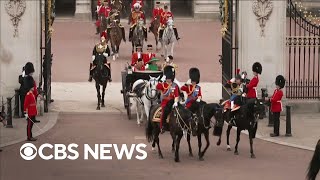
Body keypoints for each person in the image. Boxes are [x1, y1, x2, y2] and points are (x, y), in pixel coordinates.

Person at [156, 65, 180, 134]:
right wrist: (161, 80)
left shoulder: (174, 85)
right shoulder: (163, 84)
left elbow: (176, 95)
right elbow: (157, 86)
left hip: (173, 101)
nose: (168, 79)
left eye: (169, 78)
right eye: (167, 78)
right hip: (165, 102)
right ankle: (162, 126)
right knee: (164, 112)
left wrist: (176, 102)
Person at [24, 75, 38, 141]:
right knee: (29, 125)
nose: (34, 88)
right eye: (32, 87)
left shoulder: (32, 94)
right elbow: (26, 105)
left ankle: (31, 136)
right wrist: (26, 113)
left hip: (32, 112)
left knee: (31, 125)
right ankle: (29, 137)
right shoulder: (28, 95)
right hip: (29, 112)